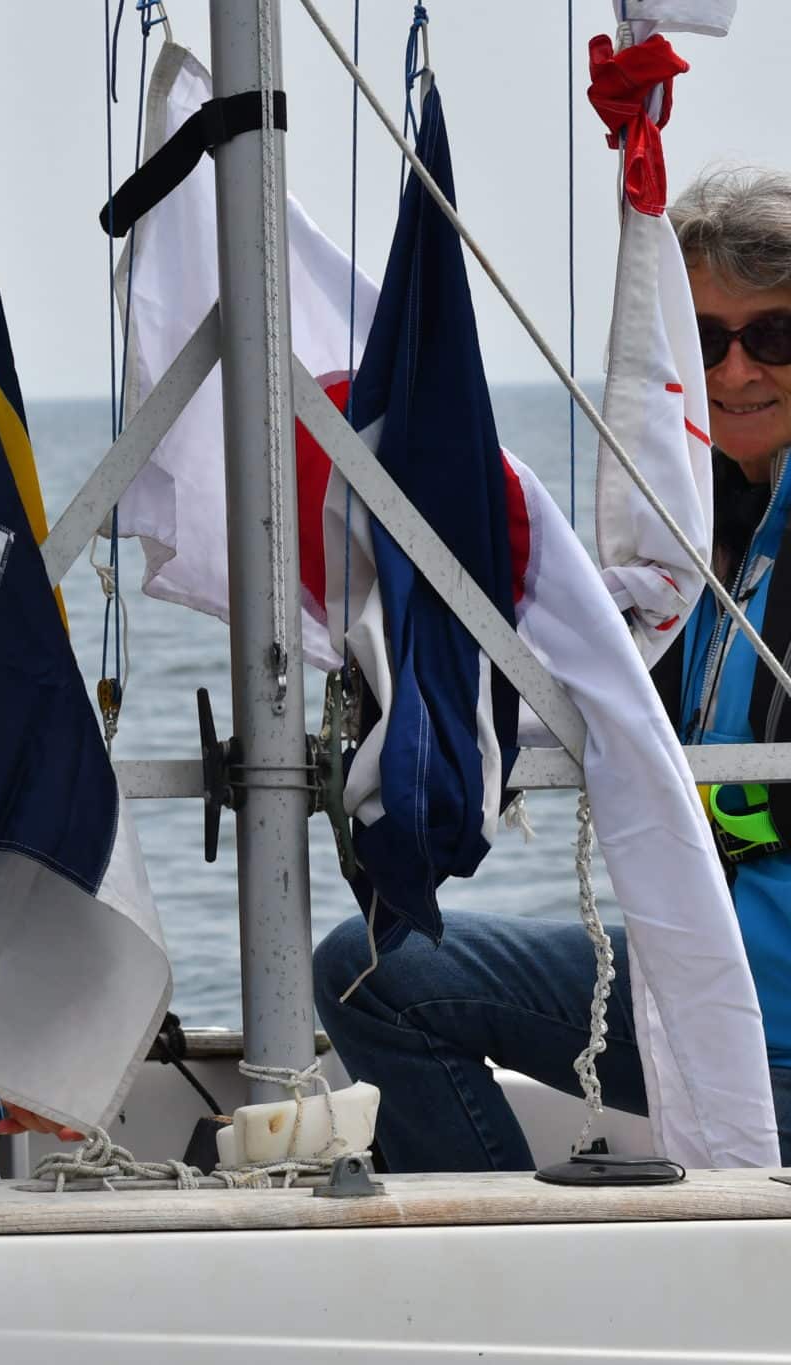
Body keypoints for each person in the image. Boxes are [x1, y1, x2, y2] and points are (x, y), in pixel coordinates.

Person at [312, 164, 791, 1171]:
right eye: (704, 342)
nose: (736, 371)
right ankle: (508, 1245)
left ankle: (513, 1244)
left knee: (380, 977)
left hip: (762, 1025)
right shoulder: (693, 539)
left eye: (774, 337)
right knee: (375, 970)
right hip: (697, 986)